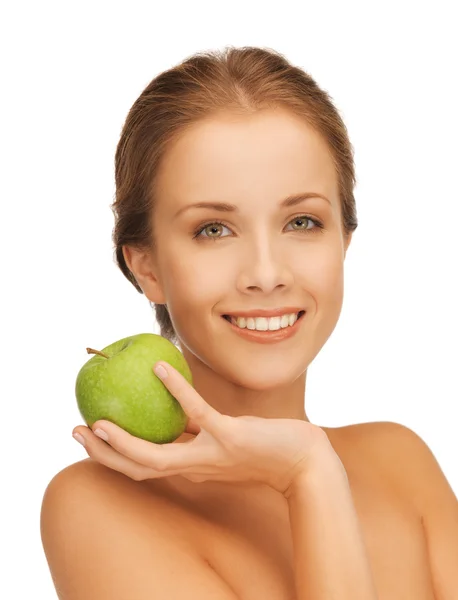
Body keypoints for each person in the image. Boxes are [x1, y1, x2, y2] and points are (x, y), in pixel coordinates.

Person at [40, 46, 458, 599]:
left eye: (302, 221)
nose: (266, 274)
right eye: (213, 229)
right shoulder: (95, 504)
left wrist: (310, 470)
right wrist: (307, 476)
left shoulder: (401, 462)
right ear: (147, 267)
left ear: (343, 243)